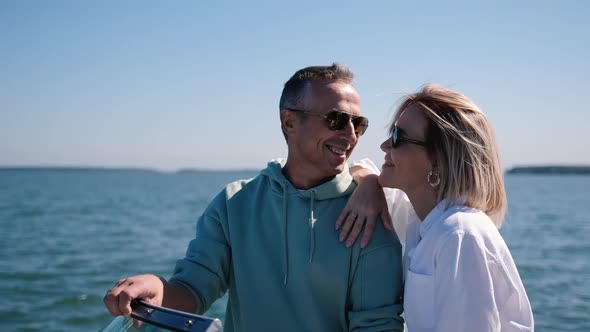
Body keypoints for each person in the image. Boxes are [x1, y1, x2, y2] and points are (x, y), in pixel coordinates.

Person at [103, 64, 405, 332]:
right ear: (289, 122)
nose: (351, 136)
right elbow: (193, 289)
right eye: (337, 120)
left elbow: (377, 324)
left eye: (358, 124)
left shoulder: (368, 213)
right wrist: (155, 286)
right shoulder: (234, 202)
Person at [338, 84, 534, 331]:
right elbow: (360, 166)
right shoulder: (421, 219)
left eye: (398, 136)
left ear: (438, 158)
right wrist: (368, 182)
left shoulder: (459, 235)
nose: (385, 145)